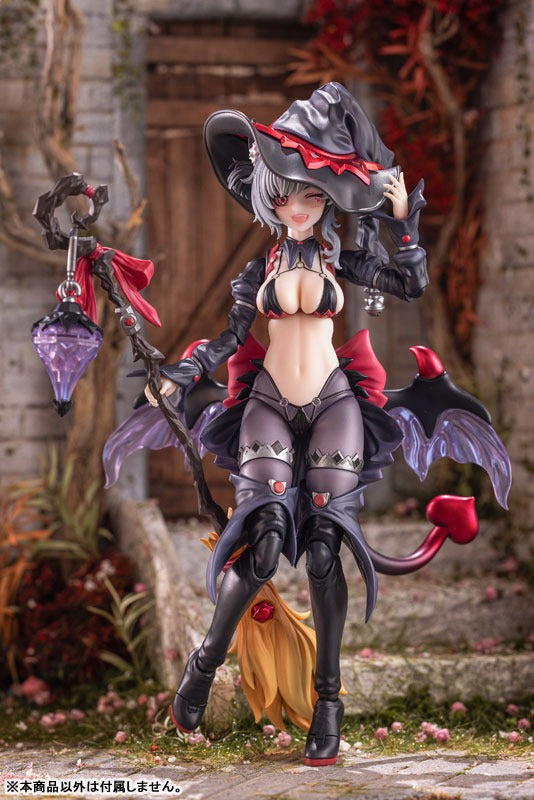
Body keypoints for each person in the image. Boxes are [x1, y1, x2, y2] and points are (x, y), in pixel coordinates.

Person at [144, 83, 428, 766]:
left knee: (326, 549)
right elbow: (226, 339)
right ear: (267, 196)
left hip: (333, 401)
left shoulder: (343, 260)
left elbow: (410, 284)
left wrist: (401, 224)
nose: (296, 207)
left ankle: (328, 702)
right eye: (283, 195)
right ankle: (203, 667)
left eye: (310, 194)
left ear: (328, 196)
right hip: (270, 399)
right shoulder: (257, 270)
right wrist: (179, 375)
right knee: (265, 541)